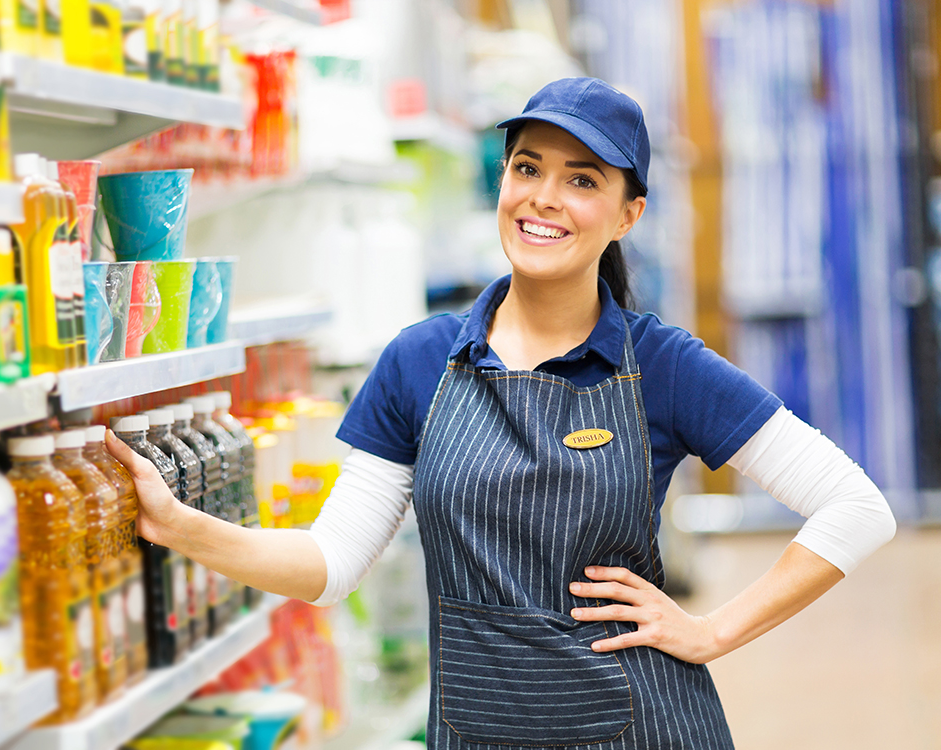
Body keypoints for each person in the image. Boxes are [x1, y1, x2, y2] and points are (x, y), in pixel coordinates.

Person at [106, 77, 897, 749]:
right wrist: (183, 528)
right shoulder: (420, 362)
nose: (544, 199)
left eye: (583, 179)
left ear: (629, 215)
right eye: (528, 167)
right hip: (475, 725)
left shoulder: (660, 364)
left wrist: (713, 631)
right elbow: (333, 564)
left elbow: (855, 506)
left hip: (640, 724)